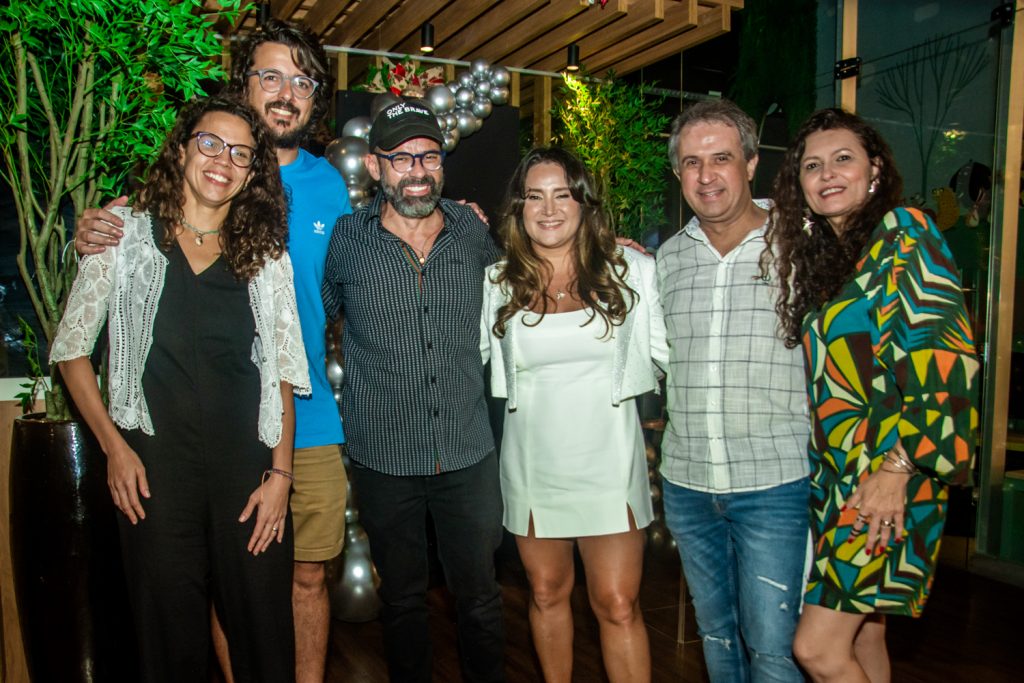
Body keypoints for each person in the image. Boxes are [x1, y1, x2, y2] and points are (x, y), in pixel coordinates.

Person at [73, 20, 350, 683]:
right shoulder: (141, 222)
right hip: (173, 455)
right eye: (271, 75)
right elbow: (85, 326)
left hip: (293, 429)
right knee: (191, 605)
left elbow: (370, 259)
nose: (286, 92)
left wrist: (461, 219)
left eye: (302, 81)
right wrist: (84, 234)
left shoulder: (330, 188)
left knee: (293, 587)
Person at [765, 107, 979, 682]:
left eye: (843, 159)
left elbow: (947, 360)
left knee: (817, 649)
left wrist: (898, 468)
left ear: (875, 170)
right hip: (840, 479)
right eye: (812, 166)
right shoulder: (837, 259)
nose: (827, 174)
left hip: (890, 476)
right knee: (864, 638)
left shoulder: (907, 233)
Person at [321, 100, 505, 683]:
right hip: (384, 453)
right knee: (401, 601)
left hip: (467, 449)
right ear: (375, 167)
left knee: (480, 599)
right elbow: (307, 316)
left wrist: (609, 250)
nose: (417, 170)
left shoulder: (472, 231)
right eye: (400, 159)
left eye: (428, 156)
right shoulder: (347, 240)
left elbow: (528, 281)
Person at [480, 147, 667, 682]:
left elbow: (674, 356)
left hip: (611, 464)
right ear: (518, 208)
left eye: (562, 195)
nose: (549, 209)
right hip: (532, 467)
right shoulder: (496, 282)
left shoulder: (633, 271)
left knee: (618, 604)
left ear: (584, 203)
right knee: (545, 593)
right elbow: (461, 361)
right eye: (534, 196)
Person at [655, 99, 810, 682]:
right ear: (679, 173)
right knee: (718, 638)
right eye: (691, 163)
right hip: (689, 485)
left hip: (775, 483)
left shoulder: (801, 245)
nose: (706, 175)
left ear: (750, 163)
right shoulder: (667, 260)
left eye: (720, 158)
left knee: (774, 648)